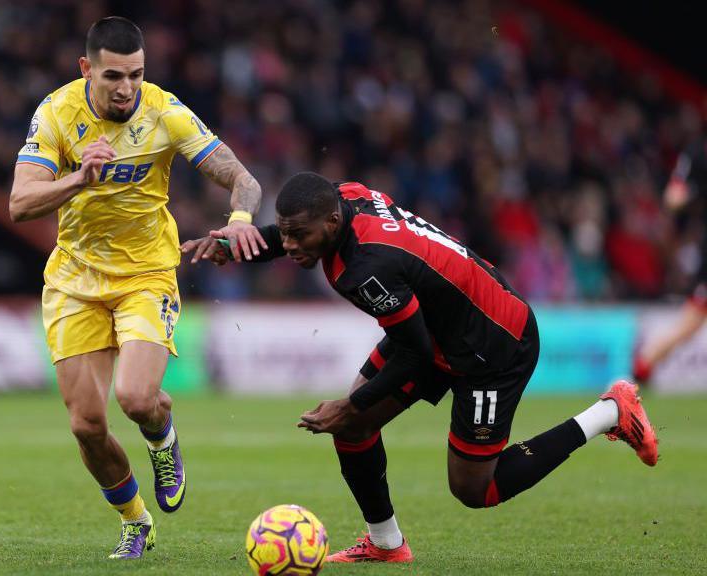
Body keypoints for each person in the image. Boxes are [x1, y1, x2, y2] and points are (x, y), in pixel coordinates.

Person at [182, 172, 657, 564]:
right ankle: (386, 544)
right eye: (282, 232)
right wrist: (240, 245)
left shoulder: (367, 267)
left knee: (475, 488)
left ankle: (610, 412)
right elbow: (410, 340)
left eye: (298, 236)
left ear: (331, 221)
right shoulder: (346, 198)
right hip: (438, 324)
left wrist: (349, 403)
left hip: (493, 344)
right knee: (355, 427)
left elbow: (413, 353)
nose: (288, 245)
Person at [8, 17, 264, 559]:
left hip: (146, 275)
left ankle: (161, 433)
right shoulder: (56, 113)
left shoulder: (164, 112)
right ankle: (135, 520)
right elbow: (19, 203)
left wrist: (241, 216)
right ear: (87, 70)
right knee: (86, 425)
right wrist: (79, 177)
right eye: (114, 76)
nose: (127, 88)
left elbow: (243, 177)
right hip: (74, 280)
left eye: (137, 75)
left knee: (135, 398)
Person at [632, 137, 707, 386]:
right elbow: (674, 197)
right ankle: (640, 369)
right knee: (691, 321)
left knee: (692, 321)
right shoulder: (697, 152)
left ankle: (642, 367)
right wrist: (694, 190)